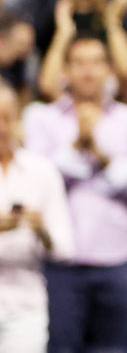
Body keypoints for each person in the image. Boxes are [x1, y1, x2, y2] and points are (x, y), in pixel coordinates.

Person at [23, 35, 127, 352]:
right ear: (65, 70)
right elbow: (37, 185)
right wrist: (76, 145)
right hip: (63, 263)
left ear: (109, 70)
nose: (88, 72)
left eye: (96, 62)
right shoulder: (43, 118)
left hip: (119, 260)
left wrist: (100, 153)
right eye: (79, 63)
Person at [0, 82, 74, 353]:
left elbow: (64, 248)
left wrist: (39, 228)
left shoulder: (41, 171)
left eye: (6, 118)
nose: (1, 128)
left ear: (18, 120)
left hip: (25, 300)